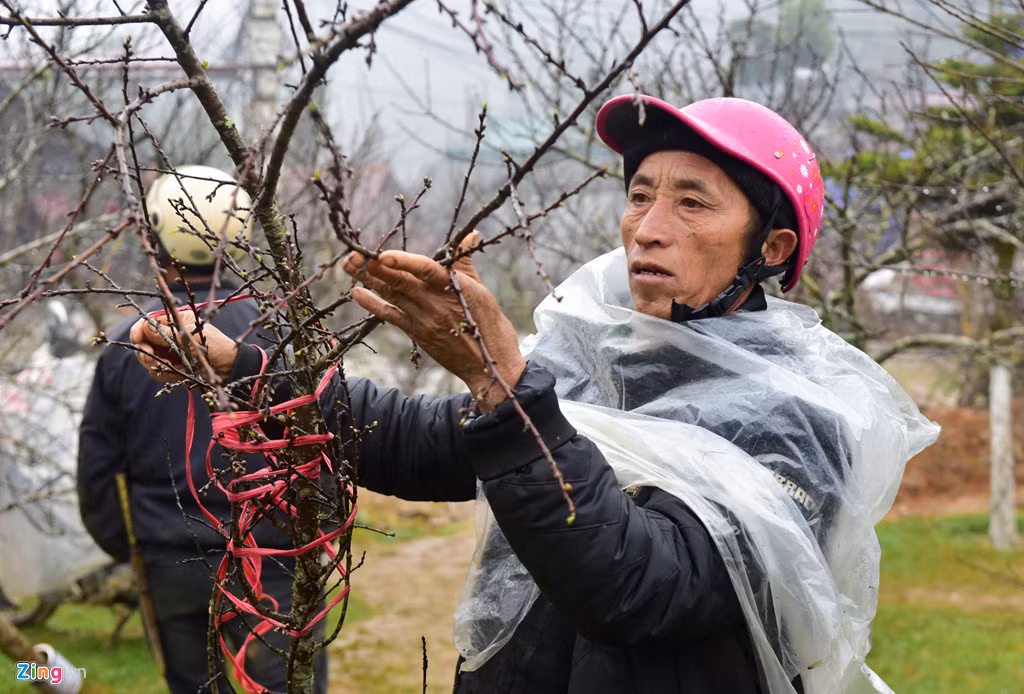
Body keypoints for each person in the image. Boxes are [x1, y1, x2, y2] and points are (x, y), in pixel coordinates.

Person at [130, 99, 939, 694]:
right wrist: (244, 369)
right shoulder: (605, 357)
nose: (647, 226)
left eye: (693, 201)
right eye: (640, 194)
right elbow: (425, 441)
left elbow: (637, 586)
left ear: (771, 247)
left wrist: (501, 382)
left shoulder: (801, 422)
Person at [77, 165, 327, 694]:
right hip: (277, 557)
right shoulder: (283, 334)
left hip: (172, 564)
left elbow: (97, 473)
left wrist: (133, 550)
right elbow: (328, 441)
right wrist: (316, 534)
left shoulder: (129, 343)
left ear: (153, 236)